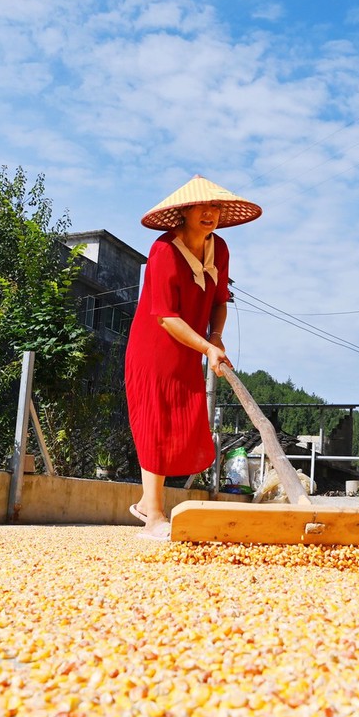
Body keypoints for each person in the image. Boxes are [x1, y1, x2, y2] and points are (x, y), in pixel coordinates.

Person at [125, 175, 262, 539]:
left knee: (181, 424)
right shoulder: (163, 251)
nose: (211, 214)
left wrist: (214, 338)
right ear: (184, 211)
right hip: (153, 349)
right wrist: (206, 347)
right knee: (156, 420)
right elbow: (167, 317)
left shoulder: (220, 249)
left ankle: (144, 503)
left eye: (216, 207)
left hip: (190, 352)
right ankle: (153, 516)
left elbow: (219, 301)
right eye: (203, 207)